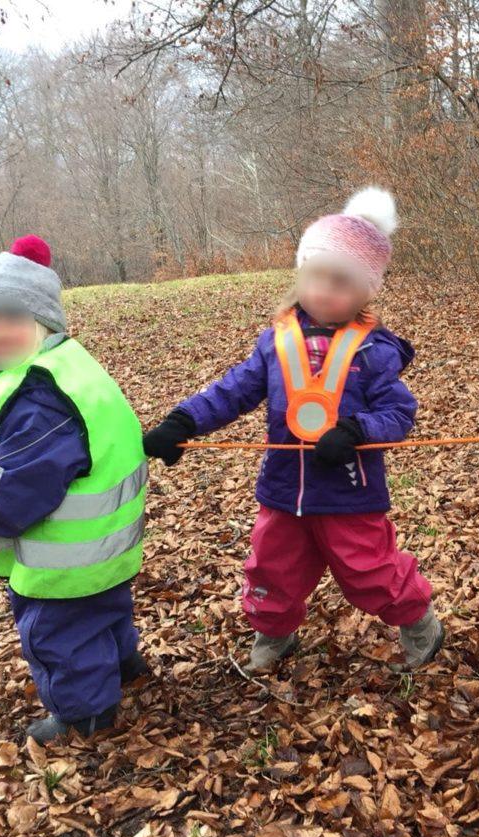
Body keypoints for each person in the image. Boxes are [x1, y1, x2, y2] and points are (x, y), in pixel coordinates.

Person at [143, 188, 443, 672]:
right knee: (272, 568)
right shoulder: (276, 342)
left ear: (368, 290)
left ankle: (418, 620)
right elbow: (234, 390)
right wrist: (184, 421)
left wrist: (356, 429)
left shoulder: (376, 351)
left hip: (350, 491)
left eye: (341, 282)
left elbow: (398, 413)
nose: (325, 290)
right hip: (284, 488)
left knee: (370, 574)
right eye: (315, 276)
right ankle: (274, 634)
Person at [0, 235, 150, 744]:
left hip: (64, 560)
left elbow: (20, 480)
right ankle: (123, 666)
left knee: (56, 634)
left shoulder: (40, 397)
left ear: (44, 324)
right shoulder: (67, 365)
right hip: (107, 545)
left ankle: (84, 713)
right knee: (105, 611)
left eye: (11, 320)